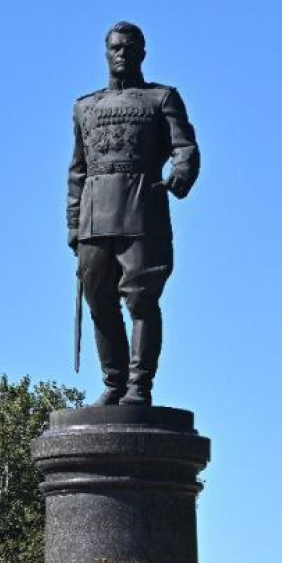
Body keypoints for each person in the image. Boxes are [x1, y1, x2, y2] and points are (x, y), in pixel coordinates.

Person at [67, 21, 200, 405]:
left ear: (142, 52)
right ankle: (114, 382)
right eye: (115, 48)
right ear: (106, 53)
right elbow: (77, 169)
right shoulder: (85, 107)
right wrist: (74, 224)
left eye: (129, 47)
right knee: (98, 299)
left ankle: (139, 385)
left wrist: (181, 173)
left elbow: (184, 147)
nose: (122, 53)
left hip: (142, 208)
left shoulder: (161, 98)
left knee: (141, 299)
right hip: (95, 215)